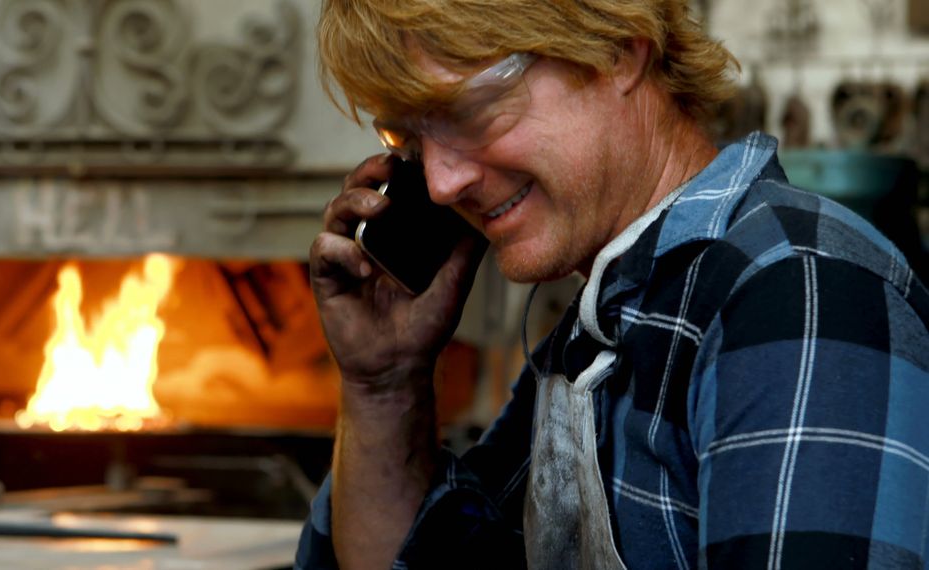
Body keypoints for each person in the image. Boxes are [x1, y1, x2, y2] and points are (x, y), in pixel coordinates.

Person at [297, 0, 929, 568]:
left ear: (620, 51)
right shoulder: (605, 327)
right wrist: (383, 385)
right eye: (407, 136)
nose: (439, 184)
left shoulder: (796, 300)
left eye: (469, 112)